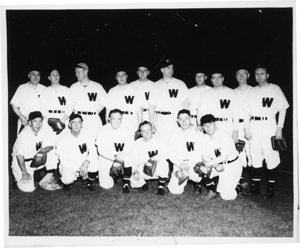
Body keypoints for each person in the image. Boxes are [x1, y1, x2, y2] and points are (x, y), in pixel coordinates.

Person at [243, 66, 289, 198]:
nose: (259, 76)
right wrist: (246, 129)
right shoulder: (251, 91)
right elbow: (246, 112)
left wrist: (279, 129)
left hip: (269, 124)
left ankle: (270, 188)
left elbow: (282, 110)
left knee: (271, 156)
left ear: (267, 75)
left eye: (262, 74)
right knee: (255, 155)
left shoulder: (275, 89)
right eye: (257, 74)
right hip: (254, 125)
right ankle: (255, 188)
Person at [11, 111, 61, 192]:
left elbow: (50, 146)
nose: (38, 124)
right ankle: (16, 177)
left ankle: (46, 180)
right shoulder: (25, 135)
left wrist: (43, 151)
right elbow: (19, 156)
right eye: (35, 121)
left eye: (40, 121)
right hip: (22, 163)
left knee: (54, 154)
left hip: (34, 160)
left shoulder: (42, 131)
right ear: (30, 122)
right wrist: (24, 172)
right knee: (29, 189)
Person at [200, 114, 246, 200]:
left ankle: (241, 186)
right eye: (205, 125)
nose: (208, 127)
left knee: (226, 196)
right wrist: (216, 165)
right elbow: (205, 157)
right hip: (217, 165)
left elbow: (224, 157)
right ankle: (212, 191)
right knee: (198, 169)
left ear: (215, 123)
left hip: (231, 165)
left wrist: (208, 165)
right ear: (202, 127)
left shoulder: (224, 135)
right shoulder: (205, 137)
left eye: (210, 124)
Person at [149, 58, 190, 142]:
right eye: (168, 68)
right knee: (162, 144)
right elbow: (151, 106)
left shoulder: (180, 84)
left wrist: (185, 119)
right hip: (160, 119)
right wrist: (151, 121)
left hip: (176, 119)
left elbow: (186, 104)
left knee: (177, 143)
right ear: (162, 70)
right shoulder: (155, 85)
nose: (170, 70)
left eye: (172, 68)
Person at [56, 113, 98, 191]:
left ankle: (90, 181)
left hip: (83, 162)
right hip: (69, 165)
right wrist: (77, 169)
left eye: (79, 122)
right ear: (69, 125)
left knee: (95, 161)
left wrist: (86, 163)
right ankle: (66, 180)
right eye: (73, 122)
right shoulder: (64, 138)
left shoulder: (87, 134)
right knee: (68, 178)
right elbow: (63, 160)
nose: (76, 125)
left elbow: (93, 151)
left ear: (82, 124)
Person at [96, 109, 134, 193]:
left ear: (122, 119)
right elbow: (101, 150)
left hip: (122, 158)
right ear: (109, 119)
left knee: (129, 158)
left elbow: (129, 148)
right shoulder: (103, 130)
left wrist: (119, 157)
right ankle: (113, 176)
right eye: (113, 119)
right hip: (107, 158)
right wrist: (114, 158)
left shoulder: (127, 130)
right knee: (106, 185)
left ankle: (126, 181)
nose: (116, 122)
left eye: (118, 119)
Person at [167, 110, 205, 195]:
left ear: (190, 119)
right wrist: (180, 164)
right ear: (177, 121)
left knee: (197, 174)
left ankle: (197, 183)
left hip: (194, 164)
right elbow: (170, 154)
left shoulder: (198, 133)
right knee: (175, 191)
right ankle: (185, 179)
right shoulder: (174, 135)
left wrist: (189, 164)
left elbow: (201, 153)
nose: (184, 121)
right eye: (181, 119)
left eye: (186, 118)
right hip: (180, 165)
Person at [128, 121, 169, 195]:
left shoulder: (159, 140)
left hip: (156, 167)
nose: (147, 133)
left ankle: (161, 185)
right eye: (144, 131)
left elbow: (167, 153)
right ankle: (143, 182)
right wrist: (135, 171)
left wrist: (154, 158)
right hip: (143, 167)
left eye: (148, 130)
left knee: (163, 162)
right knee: (133, 181)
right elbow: (133, 159)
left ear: (152, 130)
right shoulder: (137, 143)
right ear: (141, 133)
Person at [197, 71, 239, 143]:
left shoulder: (231, 92)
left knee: (227, 149)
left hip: (227, 124)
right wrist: (200, 126)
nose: (216, 80)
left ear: (223, 78)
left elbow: (236, 113)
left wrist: (235, 131)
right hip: (211, 124)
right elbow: (201, 112)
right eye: (214, 78)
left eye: (219, 77)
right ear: (211, 80)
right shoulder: (206, 94)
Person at [67, 63, 107, 138]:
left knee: (95, 142)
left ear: (85, 72)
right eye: (75, 72)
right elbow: (69, 106)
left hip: (93, 119)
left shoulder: (97, 86)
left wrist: (95, 112)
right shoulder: (73, 87)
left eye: (78, 72)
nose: (76, 74)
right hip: (79, 119)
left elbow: (104, 102)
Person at [106, 70, 142, 137]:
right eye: (119, 75)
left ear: (126, 76)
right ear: (116, 78)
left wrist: (140, 125)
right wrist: (108, 124)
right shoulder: (112, 91)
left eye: (123, 75)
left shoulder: (135, 90)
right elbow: (108, 109)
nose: (121, 77)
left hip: (130, 119)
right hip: (116, 120)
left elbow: (139, 109)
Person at [10, 69, 46, 135]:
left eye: (38, 75)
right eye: (33, 74)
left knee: (40, 144)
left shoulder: (44, 88)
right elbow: (14, 105)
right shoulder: (22, 88)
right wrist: (21, 117)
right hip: (25, 123)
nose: (36, 77)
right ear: (29, 76)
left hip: (40, 124)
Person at [40, 69, 70, 145]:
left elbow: (70, 107)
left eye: (57, 75)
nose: (55, 77)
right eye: (53, 75)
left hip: (63, 119)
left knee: (63, 143)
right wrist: (52, 120)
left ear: (59, 76)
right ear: (49, 78)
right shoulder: (45, 91)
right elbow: (43, 109)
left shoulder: (67, 90)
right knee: (49, 144)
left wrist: (62, 121)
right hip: (49, 120)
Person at [234, 68, 253, 185]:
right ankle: (240, 180)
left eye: (244, 74)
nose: (241, 76)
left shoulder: (254, 90)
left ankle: (254, 182)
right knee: (238, 152)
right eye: (239, 74)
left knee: (251, 153)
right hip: (236, 124)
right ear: (236, 76)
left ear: (248, 75)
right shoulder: (232, 92)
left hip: (251, 124)